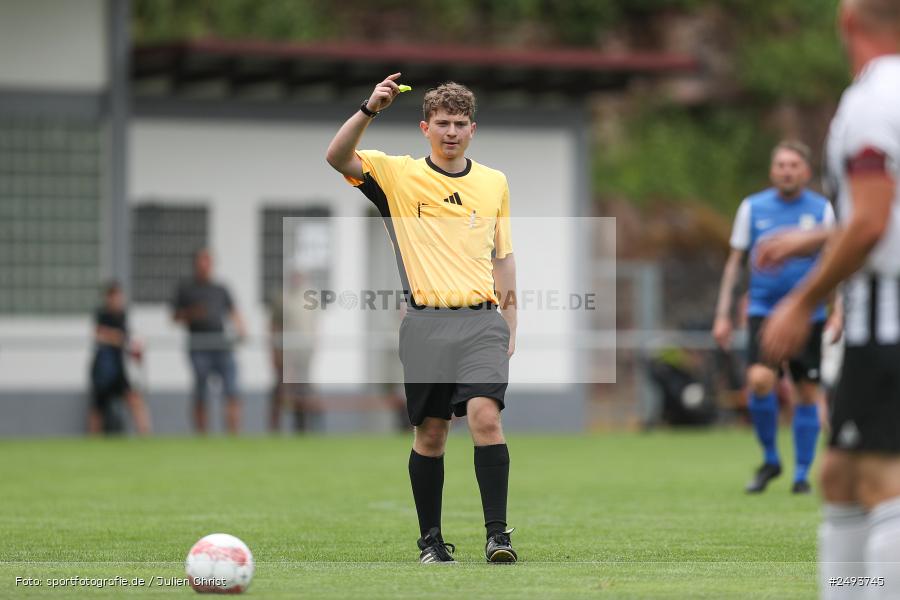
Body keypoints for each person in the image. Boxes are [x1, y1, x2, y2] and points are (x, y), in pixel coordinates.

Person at [326, 76, 518, 563]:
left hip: (481, 322)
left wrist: (511, 318)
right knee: (431, 433)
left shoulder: (494, 182)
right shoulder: (397, 174)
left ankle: (498, 536)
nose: (451, 132)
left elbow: (502, 256)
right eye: (442, 123)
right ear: (425, 128)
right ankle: (431, 540)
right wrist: (369, 108)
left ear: (472, 130)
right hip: (425, 324)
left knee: (485, 416)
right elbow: (337, 156)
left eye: (460, 124)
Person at [761, 0, 900, 595]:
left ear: (848, 21)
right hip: (881, 316)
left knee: (881, 480)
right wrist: (818, 236)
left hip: (885, 318)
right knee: (840, 475)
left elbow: (870, 223)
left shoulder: (872, 101)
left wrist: (802, 299)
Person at [712, 141, 836, 494]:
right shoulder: (752, 208)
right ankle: (770, 459)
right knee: (759, 380)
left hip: (807, 313)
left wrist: (838, 310)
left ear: (806, 172)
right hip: (763, 312)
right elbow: (735, 263)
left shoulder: (823, 210)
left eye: (793, 165)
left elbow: (834, 261)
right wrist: (722, 314)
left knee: (806, 392)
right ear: (772, 171)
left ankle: (801, 474)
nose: (786, 171)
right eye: (781, 165)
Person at [173, 248, 247, 434]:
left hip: (221, 343)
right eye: (202, 261)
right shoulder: (186, 289)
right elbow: (175, 317)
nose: (205, 265)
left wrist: (241, 329)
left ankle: (234, 434)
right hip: (198, 344)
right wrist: (192, 313)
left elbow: (233, 312)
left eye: (208, 261)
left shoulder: (220, 289)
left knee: (232, 389)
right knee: (201, 391)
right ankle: (202, 436)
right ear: (195, 264)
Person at [88, 281, 151, 435]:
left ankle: (145, 435)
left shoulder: (123, 316)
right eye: (114, 297)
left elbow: (129, 340)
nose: (117, 300)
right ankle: (92, 440)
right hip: (103, 370)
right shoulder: (102, 314)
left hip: (120, 369)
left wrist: (132, 346)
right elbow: (100, 334)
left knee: (135, 399)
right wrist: (119, 338)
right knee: (98, 407)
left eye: (119, 296)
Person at [269, 271, 317, 433]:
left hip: (303, 354)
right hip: (285, 353)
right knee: (280, 390)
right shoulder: (282, 298)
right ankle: (274, 429)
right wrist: (274, 352)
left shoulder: (311, 298)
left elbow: (313, 326)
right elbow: (274, 327)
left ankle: (301, 429)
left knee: (302, 392)